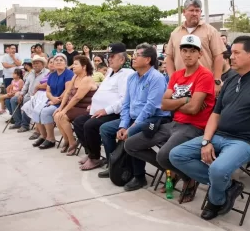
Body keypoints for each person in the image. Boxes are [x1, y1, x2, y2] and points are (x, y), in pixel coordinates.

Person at [169, 36, 250, 220]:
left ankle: (215, 200)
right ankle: (229, 186)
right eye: (232, 53)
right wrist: (206, 141)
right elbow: (216, 114)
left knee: (218, 169)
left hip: (247, 141)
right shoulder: (230, 80)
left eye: (237, 53)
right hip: (219, 136)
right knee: (176, 155)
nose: (232, 57)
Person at [125, 35, 215, 201]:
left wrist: (175, 102)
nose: (188, 54)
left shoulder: (205, 75)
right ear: (180, 52)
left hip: (193, 127)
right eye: (185, 50)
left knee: (163, 155)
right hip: (174, 123)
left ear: (200, 54)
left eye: (192, 51)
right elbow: (163, 104)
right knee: (131, 144)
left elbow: (194, 109)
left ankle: (188, 178)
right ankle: (176, 172)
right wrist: (184, 100)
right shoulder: (177, 75)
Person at [98, 43, 171, 190]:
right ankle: (117, 164)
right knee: (105, 129)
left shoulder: (156, 78)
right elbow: (126, 104)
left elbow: (150, 108)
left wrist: (131, 127)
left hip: (155, 119)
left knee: (131, 135)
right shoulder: (132, 78)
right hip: (134, 118)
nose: (133, 58)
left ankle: (139, 176)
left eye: (138, 55)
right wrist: (123, 125)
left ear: (148, 60)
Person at [73, 42, 134, 171]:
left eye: (112, 56)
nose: (109, 59)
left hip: (115, 113)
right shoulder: (111, 71)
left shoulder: (127, 74)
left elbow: (124, 100)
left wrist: (106, 110)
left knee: (90, 125)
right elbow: (103, 90)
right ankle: (92, 154)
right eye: (108, 56)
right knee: (78, 122)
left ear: (122, 59)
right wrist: (94, 103)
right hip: (99, 110)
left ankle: (95, 158)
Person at [164, 0, 225, 96]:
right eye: (191, 10)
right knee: (180, 110)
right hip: (180, 85)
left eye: (197, 10)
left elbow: (218, 56)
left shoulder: (210, 31)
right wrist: (172, 78)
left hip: (203, 84)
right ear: (184, 12)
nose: (195, 13)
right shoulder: (175, 33)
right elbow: (169, 57)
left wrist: (217, 81)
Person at [54, 55, 98, 155]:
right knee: (56, 115)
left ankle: (72, 142)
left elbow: (77, 97)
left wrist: (64, 111)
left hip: (85, 109)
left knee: (62, 116)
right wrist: (61, 107)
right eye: (73, 64)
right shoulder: (75, 77)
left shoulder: (87, 79)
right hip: (75, 107)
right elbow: (67, 92)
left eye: (76, 64)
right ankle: (68, 140)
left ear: (84, 66)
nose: (73, 66)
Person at [31, 54, 74, 149]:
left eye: (61, 60)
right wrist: (52, 98)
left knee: (45, 112)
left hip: (64, 102)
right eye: (56, 60)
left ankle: (51, 139)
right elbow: (48, 91)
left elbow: (68, 90)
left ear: (65, 63)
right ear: (53, 63)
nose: (58, 62)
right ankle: (43, 136)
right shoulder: (52, 75)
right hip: (52, 100)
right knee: (36, 109)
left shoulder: (69, 74)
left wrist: (56, 100)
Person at [9, 56, 49, 132]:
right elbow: (26, 85)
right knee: (13, 100)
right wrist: (21, 94)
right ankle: (18, 122)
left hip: (39, 96)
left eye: (37, 63)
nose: (35, 65)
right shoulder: (31, 73)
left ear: (43, 64)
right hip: (28, 94)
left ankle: (25, 125)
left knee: (27, 101)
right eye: (33, 63)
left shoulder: (47, 73)